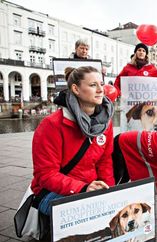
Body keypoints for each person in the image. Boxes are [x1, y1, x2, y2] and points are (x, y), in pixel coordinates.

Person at [31, 66, 115, 216]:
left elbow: (105, 161)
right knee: (89, 215)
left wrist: (110, 190)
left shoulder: (105, 124)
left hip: (90, 186)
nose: (100, 90)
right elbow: (46, 174)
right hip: (53, 191)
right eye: (92, 85)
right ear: (76, 89)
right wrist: (82, 188)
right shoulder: (52, 124)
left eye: (101, 84)